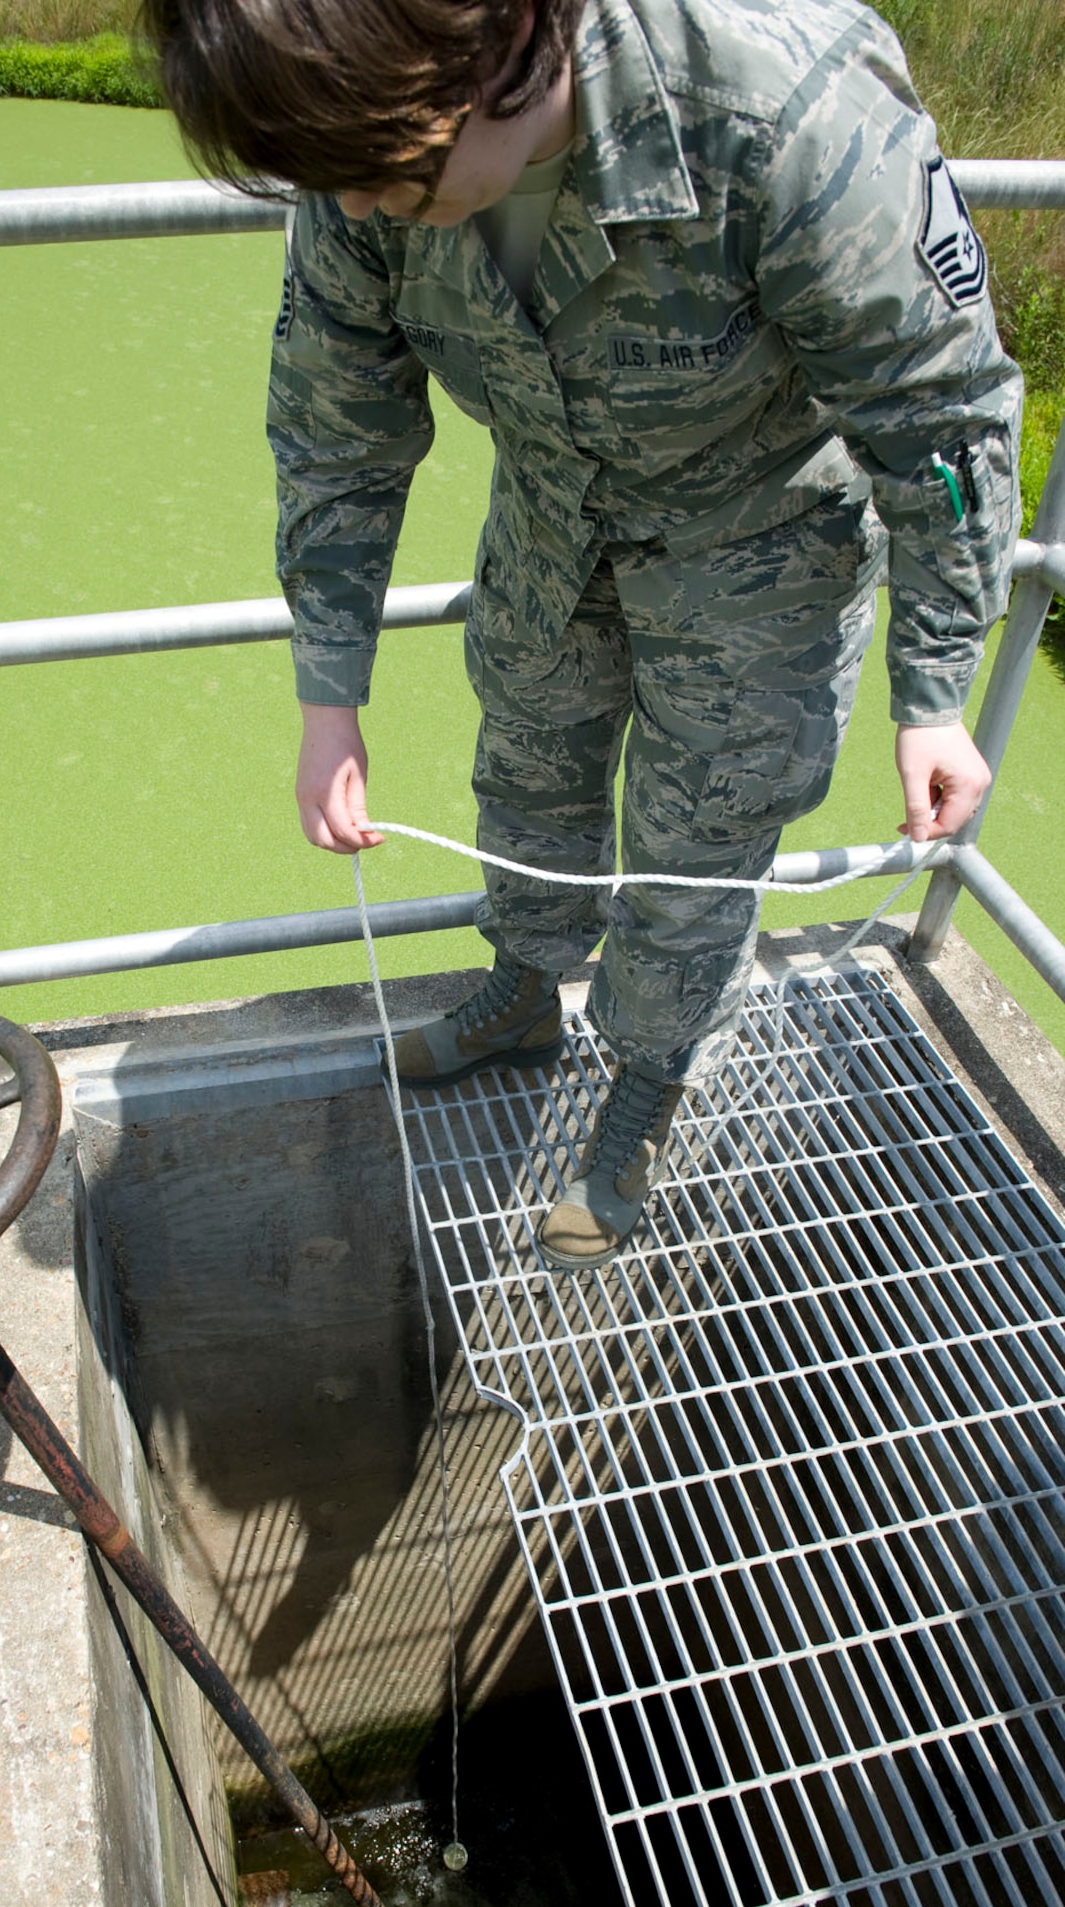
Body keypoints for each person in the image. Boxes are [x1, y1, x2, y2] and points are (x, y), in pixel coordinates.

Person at [141, 0, 1021, 1269]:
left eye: (393, 177)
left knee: (696, 846)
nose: (369, 213)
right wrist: (330, 691)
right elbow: (338, 427)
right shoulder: (357, 142)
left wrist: (932, 685)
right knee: (528, 766)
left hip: (755, 546)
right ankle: (521, 992)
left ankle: (645, 1088)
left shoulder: (782, 106)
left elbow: (941, 412)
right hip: (553, 518)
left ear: (493, 39)